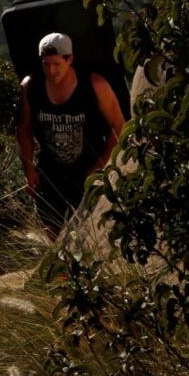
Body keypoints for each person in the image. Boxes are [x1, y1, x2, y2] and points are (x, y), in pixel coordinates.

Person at [16, 32, 125, 233]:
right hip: (50, 170)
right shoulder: (31, 86)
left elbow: (118, 125)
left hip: (87, 169)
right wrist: (29, 169)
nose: (51, 70)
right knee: (50, 231)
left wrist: (100, 167)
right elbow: (23, 128)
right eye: (46, 64)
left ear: (70, 59)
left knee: (91, 231)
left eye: (57, 64)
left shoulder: (95, 85)